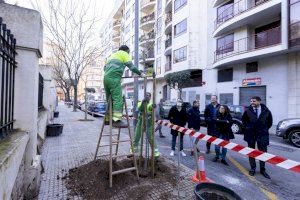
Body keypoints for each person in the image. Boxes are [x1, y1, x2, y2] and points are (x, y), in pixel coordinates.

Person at [104, 45, 145, 128]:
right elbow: (132, 67)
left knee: (109, 100)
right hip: (114, 78)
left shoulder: (111, 56)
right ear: (126, 50)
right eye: (128, 52)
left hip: (106, 78)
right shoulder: (124, 54)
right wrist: (141, 74)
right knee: (118, 99)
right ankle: (117, 120)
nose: (129, 53)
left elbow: (105, 69)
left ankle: (107, 120)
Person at [242, 96, 273, 179]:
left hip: (262, 135)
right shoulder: (248, 110)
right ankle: (253, 168)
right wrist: (248, 128)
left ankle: (262, 170)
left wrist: (264, 129)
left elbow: (270, 122)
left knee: (263, 153)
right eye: (251, 101)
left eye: (254, 101)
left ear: (259, 101)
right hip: (250, 134)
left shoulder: (266, 111)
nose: (252, 102)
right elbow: (243, 121)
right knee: (251, 151)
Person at [132, 92, 160, 157]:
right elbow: (140, 108)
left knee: (151, 137)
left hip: (149, 124)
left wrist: (153, 106)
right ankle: (134, 149)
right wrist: (143, 102)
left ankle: (155, 152)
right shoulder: (140, 103)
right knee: (137, 135)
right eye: (146, 96)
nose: (147, 97)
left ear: (150, 97)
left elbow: (150, 107)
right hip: (141, 123)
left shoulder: (151, 104)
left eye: (148, 96)